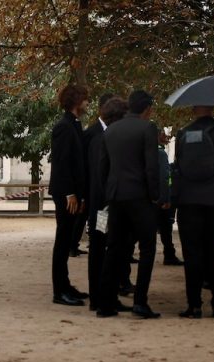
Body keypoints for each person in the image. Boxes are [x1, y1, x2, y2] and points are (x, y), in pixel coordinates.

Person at [97, 89, 166, 319]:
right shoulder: (147, 128)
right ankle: (140, 301)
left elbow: (103, 168)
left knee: (114, 248)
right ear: (147, 109)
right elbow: (151, 166)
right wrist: (155, 195)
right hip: (139, 195)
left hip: (116, 196)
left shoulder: (111, 130)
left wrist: (108, 194)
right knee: (147, 248)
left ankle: (105, 303)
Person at [174, 105, 214, 318]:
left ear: (193, 108)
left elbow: (179, 165)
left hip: (189, 198)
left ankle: (194, 305)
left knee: (192, 253)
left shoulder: (184, 132)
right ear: (212, 108)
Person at [85, 94, 131, 312]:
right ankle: (100, 298)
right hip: (103, 206)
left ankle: (106, 296)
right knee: (100, 249)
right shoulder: (98, 137)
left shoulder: (104, 135)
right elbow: (99, 175)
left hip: (104, 204)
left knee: (107, 249)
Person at [49, 84, 90, 306]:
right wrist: (69, 193)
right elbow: (62, 162)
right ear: (76, 100)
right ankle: (59, 291)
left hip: (72, 192)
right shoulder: (64, 127)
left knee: (66, 240)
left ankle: (65, 286)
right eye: (85, 99)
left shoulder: (73, 124)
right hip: (66, 193)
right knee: (63, 241)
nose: (87, 103)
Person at [157, 131, 183, 266]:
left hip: (151, 197)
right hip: (161, 198)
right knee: (166, 227)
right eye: (162, 134)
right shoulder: (160, 153)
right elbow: (165, 177)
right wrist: (166, 198)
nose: (166, 137)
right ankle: (169, 254)